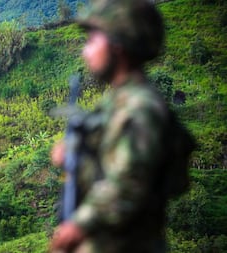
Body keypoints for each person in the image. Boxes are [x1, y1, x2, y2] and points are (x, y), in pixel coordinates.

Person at [49, 0, 193, 252]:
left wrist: (80, 225)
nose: (86, 51)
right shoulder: (116, 103)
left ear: (117, 45)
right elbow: (110, 170)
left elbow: (129, 184)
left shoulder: (140, 107)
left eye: (92, 40)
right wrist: (74, 160)